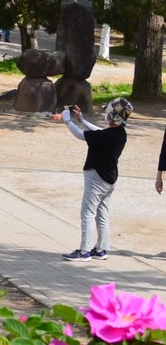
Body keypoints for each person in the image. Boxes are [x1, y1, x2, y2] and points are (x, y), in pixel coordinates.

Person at [61, 98, 132, 261]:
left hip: (96, 178)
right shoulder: (119, 134)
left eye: (108, 115)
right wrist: (83, 120)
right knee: (102, 214)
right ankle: (101, 250)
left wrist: (67, 119)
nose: (106, 117)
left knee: (87, 213)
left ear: (114, 118)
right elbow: (99, 132)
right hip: (109, 179)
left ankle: (84, 251)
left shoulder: (108, 136)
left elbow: (80, 135)